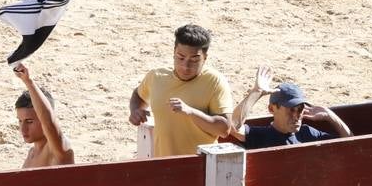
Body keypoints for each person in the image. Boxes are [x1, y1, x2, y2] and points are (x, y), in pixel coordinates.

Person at [128, 24, 235, 157]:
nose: (186, 66)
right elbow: (138, 95)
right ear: (174, 52)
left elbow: (224, 129)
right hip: (162, 163)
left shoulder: (214, 81)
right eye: (180, 57)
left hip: (200, 166)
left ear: (205, 58)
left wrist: (190, 112)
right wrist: (135, 111)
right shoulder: (156, 77)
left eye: (194, 60)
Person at [230, 66, 352, 149]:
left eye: (300, 109)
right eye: (291, 109)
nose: (296, 116)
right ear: (272, 109)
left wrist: (331, 116)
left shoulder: (308, 133)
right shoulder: (262, 135)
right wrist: (256, 92)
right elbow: (233, 126)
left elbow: (352, 145)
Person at [13, 62, 74, 168]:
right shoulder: (31, 153)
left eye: (29, 121)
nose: (23, 129)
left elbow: (48, 122)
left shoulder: (56, 149)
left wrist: (28, 81)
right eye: (20, 121)